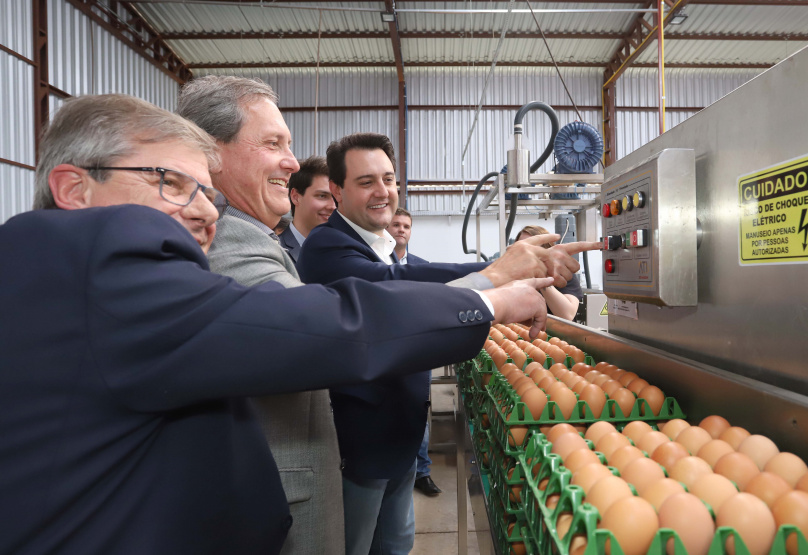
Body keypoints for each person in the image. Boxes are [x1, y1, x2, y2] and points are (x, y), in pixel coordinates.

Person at [0, 93, 551, 555]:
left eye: (206, 192)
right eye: (171, 183)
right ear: (74, 189)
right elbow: (324, 327)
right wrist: (489, 299)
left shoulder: (58, 274)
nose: (206, 211)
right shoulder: (108, 276)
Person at [298, 133, 601, 555]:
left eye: (388, 178)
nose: (383, 191)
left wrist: (505, 271)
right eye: (366, 181)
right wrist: (497, 272)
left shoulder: (378, 245)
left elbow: (414, 287)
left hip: (398, 442)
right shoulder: (326, 246)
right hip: (361, 448)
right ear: (337, 189)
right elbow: (394, 294)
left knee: (394, 546)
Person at [177, 75, 340, 555]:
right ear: (211, 152)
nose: (292, 161)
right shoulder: (224, 238)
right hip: (273, 508)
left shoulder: (256, 233)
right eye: (273, 143)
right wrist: (484, 297)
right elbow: (320, 334)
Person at [387, 207, 439, 496]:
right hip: (386, 351)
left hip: (417, 350)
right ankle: (393, 472)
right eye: (396, 224)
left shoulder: (421, 266)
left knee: (417, 410)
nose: (401, 230)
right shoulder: (376, 262)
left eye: (406, 225)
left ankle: (422, 472)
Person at [515, 225, 584, 320]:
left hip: (556, 333)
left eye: (532, 248)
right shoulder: (514, 277)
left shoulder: (563, 273)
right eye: (521, 248)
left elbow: (567, 315)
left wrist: (542, 279)